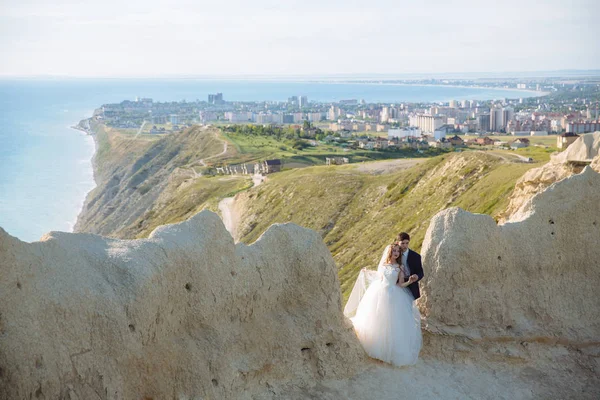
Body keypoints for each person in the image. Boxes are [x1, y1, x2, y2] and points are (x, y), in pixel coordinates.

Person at [344, 242, 422, 366]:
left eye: (398, 251)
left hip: (393, 294)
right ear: (390, 252)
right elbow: (378, 276)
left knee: (391, 323)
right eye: (394, 251)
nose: (396, 253)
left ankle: (389, 351)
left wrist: (409, 281)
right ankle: (376, 345)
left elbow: (400, 284)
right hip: (379, 291)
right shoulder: (384, 264)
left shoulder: (400, 267)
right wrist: (367, 272)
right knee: (377, 319)